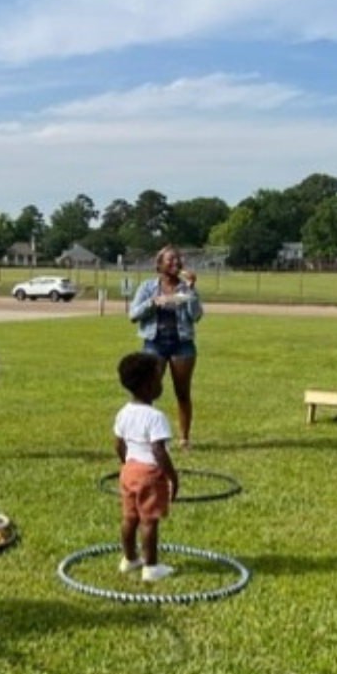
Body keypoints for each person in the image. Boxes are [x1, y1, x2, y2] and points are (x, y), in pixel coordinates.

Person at [129, 244, 203, 448]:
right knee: (147, 391)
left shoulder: (184, 288)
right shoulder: (147, 287)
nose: (176, 263)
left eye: (178, 259)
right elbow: (133, 315)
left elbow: (196, 315)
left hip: (182, 345)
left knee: (183, 392)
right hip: (154, 344)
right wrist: (153, 302)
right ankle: (147, 439)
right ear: (160, 265)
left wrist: (191, 290)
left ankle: (184, 439)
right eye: (171, 259)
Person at [114, 351, 179, 582]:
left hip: (129, 470)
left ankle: (129, 559)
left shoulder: (123, 413)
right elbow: (159, 451)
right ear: (148, 385)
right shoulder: (155, 417)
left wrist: (126, 464)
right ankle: (151, 567)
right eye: (159, 379)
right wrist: (173, 477)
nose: (162, 384)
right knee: (149, 520)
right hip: (150, 473)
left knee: (129, 517)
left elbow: (118, 444)